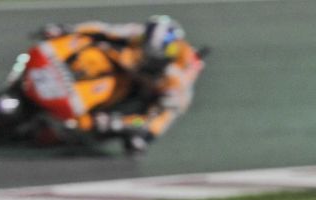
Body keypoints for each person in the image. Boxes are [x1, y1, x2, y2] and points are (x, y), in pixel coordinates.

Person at [36, 15, 205, 152]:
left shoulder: (176, 81)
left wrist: (137, 132)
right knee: (91, 49)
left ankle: (74, 117)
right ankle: (51, 69)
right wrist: (67, 29)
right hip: (122, 67)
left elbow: (161, 119)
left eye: (152, 60)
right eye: (144, 52)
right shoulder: (137, 34)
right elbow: (102, 30)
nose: (145, 60)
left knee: (110, 111)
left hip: (135, 96)